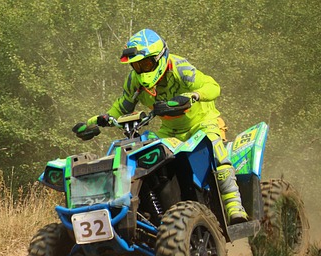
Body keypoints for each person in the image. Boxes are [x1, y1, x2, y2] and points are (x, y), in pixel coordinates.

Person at [75, 28, 248, 224]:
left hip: (202, 123)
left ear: (160, 57)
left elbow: (213, 86)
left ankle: (234, 207)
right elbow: (122, 106)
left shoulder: (179, 68)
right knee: (147, 158)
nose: (142, 69)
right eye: (137, 66)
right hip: (170, 130)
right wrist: (95, 122)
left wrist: (193, 95)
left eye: (147, 63)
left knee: (217, 150)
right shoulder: (135, 80)